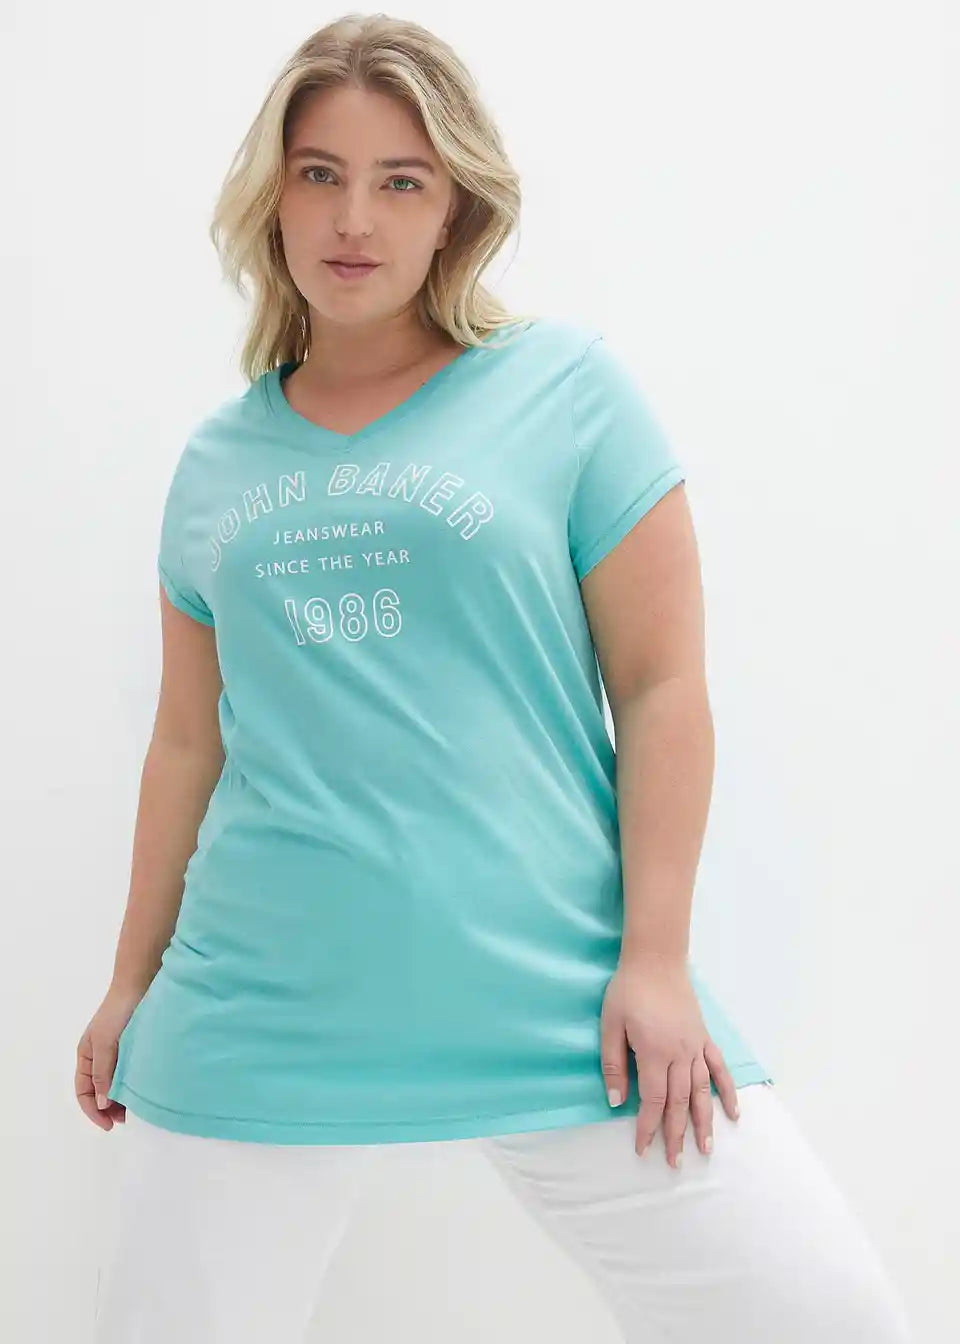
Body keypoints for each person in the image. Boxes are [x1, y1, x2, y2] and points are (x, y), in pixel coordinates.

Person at [76, 14, 913, 1343]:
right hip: (256, 1003)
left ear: (455, 206)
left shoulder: (565, 392)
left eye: (401, 180)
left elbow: (662, 687)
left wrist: (656, 958)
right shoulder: (216, 464)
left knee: (828, 1317)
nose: (355, 217)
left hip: (556, 991)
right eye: (319, 174)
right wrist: (132, 981)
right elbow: (188, 744)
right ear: (273, 196)